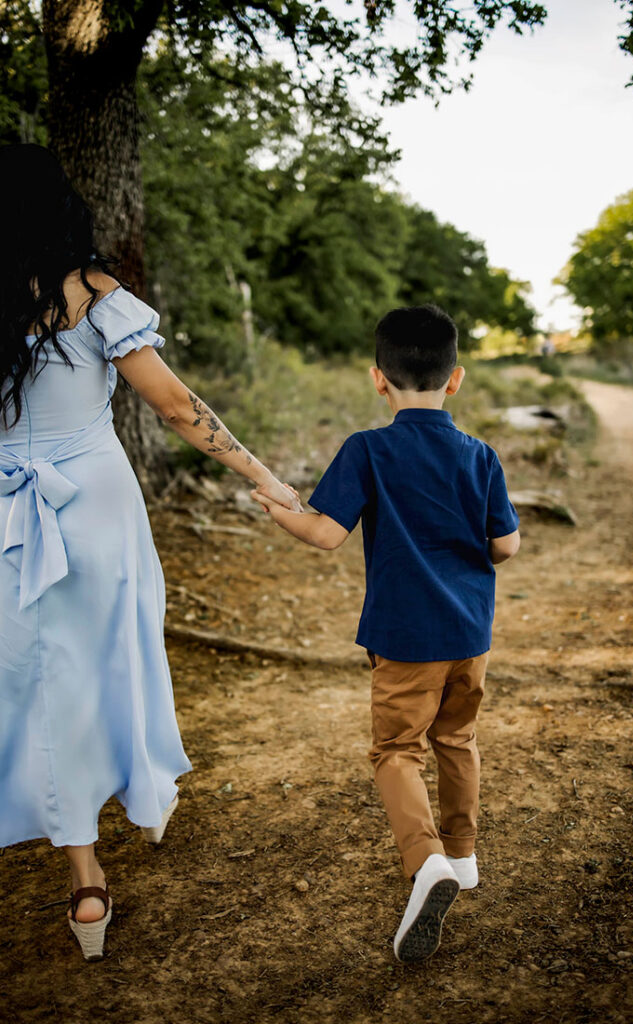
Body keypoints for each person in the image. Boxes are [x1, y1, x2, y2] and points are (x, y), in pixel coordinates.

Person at [0, 144, 300, 961]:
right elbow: (174, 406)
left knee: (33, 679)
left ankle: (85, 878)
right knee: (116, 657)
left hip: (4, 516)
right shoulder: (98, 298)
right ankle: (140, 796)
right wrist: (262, 473)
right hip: (93, 508)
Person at [252, 304, 520, 964]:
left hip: (404, 637)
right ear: (455, 380)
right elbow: (506, 545)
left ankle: (425, 862)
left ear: (379, 380)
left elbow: (324, 534)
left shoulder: (367, 449)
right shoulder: (480, 455)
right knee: (457, 737)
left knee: (396, 750)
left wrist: (279, 509)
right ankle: (462, 854)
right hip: (469, 634)